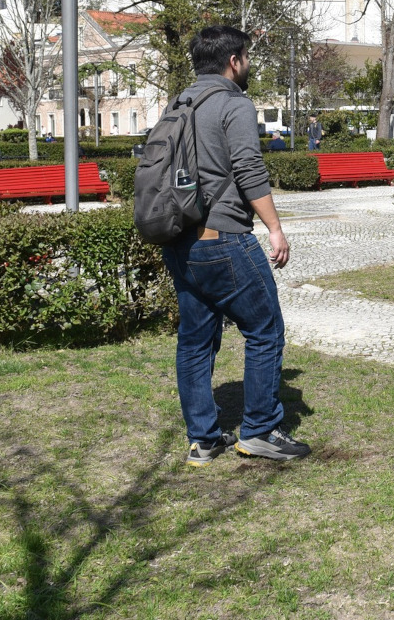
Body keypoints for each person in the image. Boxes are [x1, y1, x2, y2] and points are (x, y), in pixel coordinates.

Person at [159, 25, 310, 466]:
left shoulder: (178, 103)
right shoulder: (234, 103)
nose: (248, 64)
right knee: (265, 328)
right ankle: (260, 431)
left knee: (194, 339)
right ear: (233, 61)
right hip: (222, 239)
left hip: (179, 240)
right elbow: (248, 169)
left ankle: (203, 439)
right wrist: (275, 228)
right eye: (247, 57)